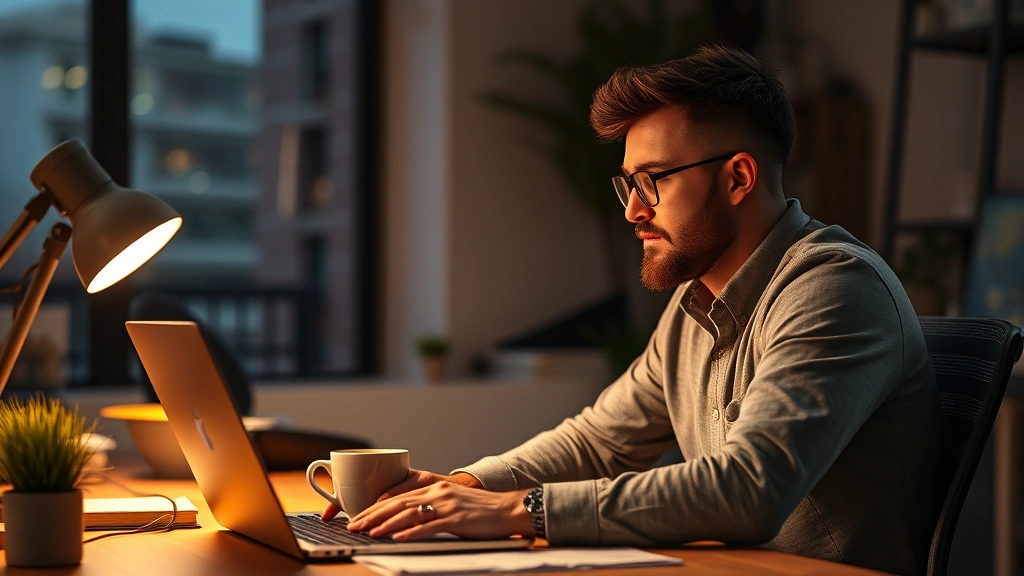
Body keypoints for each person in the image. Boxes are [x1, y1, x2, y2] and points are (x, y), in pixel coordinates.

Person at [325, 44, 943, 576]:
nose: (632, 212)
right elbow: (598, 441)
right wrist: (462, 488)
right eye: (628, 184)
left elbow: (751, 488)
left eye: (654, 180)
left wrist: (520, 510)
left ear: (738, 177)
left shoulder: (833, 288)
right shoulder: (694, 302)